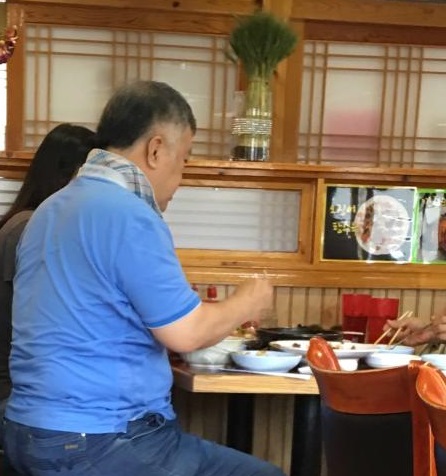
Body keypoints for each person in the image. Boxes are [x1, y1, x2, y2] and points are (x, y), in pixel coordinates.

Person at [3, 80, 285, 476]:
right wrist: (247, 300)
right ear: (156, 149)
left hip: (26, 430)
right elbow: (187, 334)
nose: (180, 179)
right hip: (101, 440)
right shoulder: (129, 214)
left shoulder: (49, 210)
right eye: (183, 160)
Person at [0, 123, 96, 442]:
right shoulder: (31, 229)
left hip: (29, 388)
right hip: (18, 393)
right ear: (72, 173)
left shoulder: (29, 223)